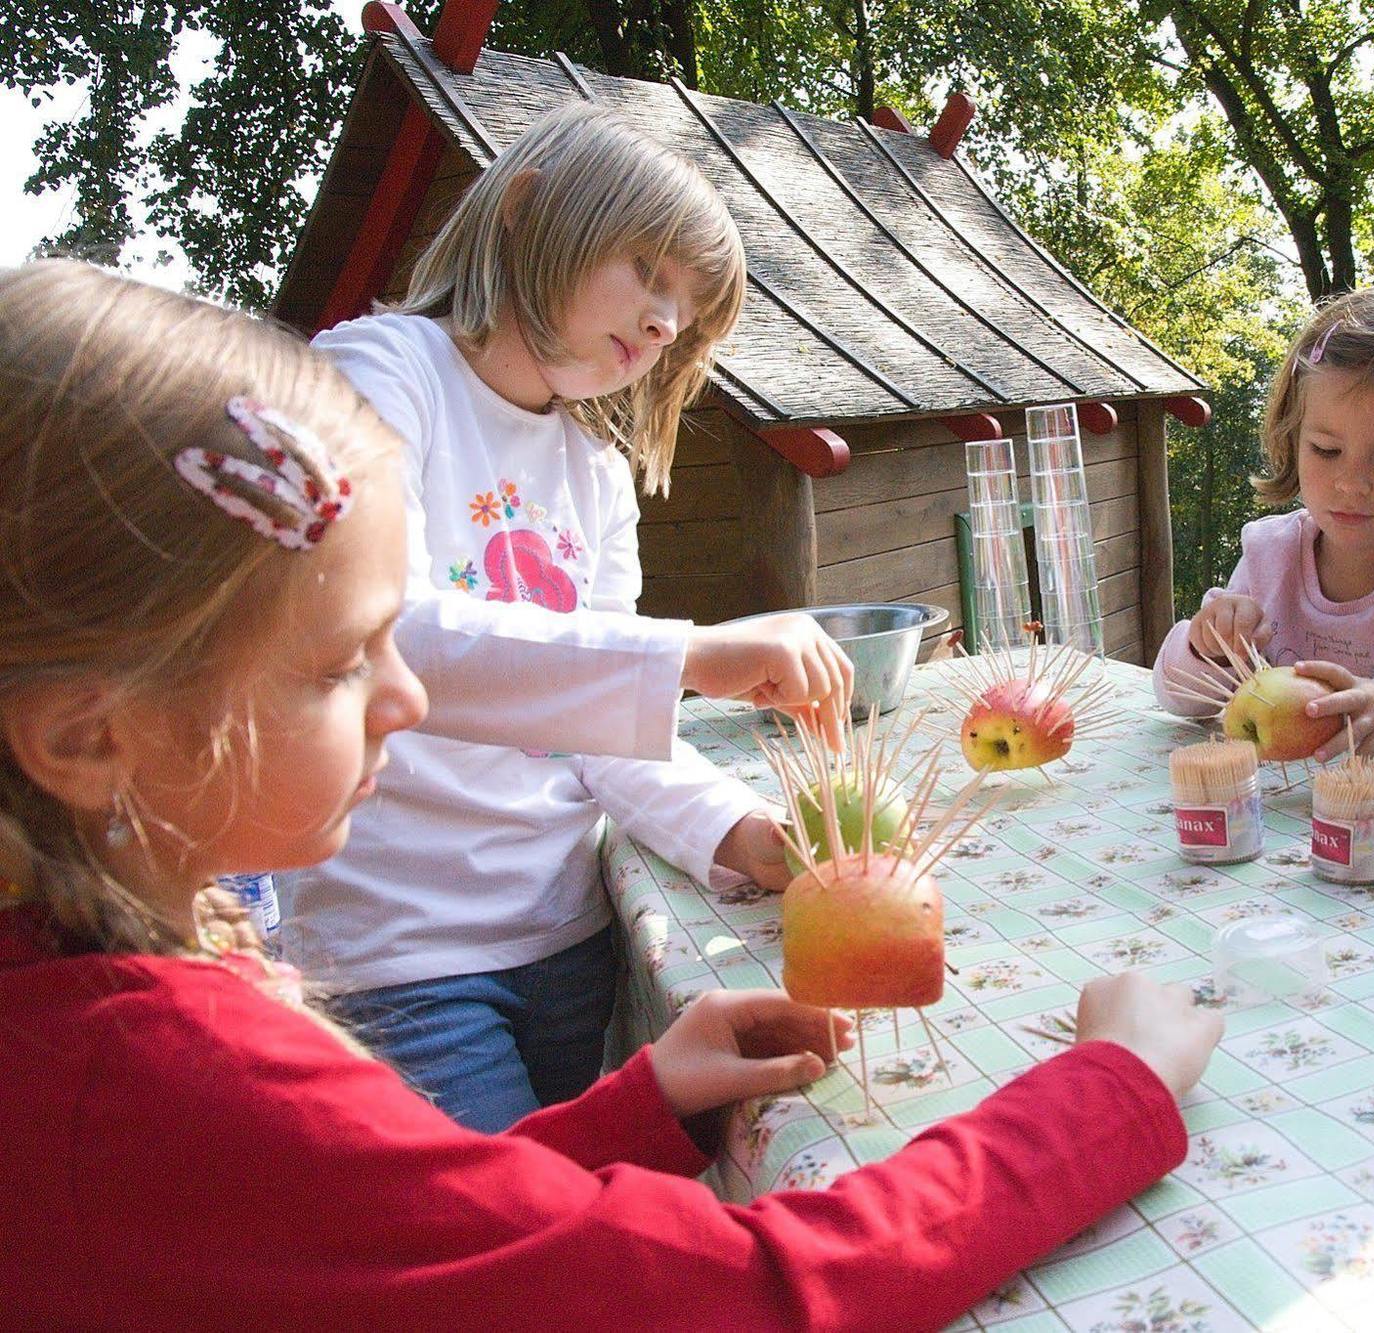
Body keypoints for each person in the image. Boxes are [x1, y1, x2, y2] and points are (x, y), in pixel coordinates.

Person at [0, 259, 1223, 1328]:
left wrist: (631, 1109)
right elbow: (745, 1297)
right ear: (83, 736)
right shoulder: (158, 1074)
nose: (410, 700)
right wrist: (1107, 1089)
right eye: (338, 666)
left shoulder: (70, 1013)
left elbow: (383, 1241)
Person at [282, 103, 853, 1130]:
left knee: (579, 1193)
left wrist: (741, 830)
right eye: (648, 269)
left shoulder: (593, 471)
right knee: (509, 1246)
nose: (666, 321)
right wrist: (686, 653)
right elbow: (375, 640)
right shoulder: (380, 373)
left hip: (568, 943)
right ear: (525, 211)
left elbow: (605, 727)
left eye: (688, 305)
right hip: (399, 958)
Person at [1152, 286, 1374, 770]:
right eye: (1325, 450)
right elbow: (1179, 698)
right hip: (1278, 821)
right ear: (1291, 439)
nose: (1351, 483)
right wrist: (1207, 646)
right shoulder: (1269, 554)